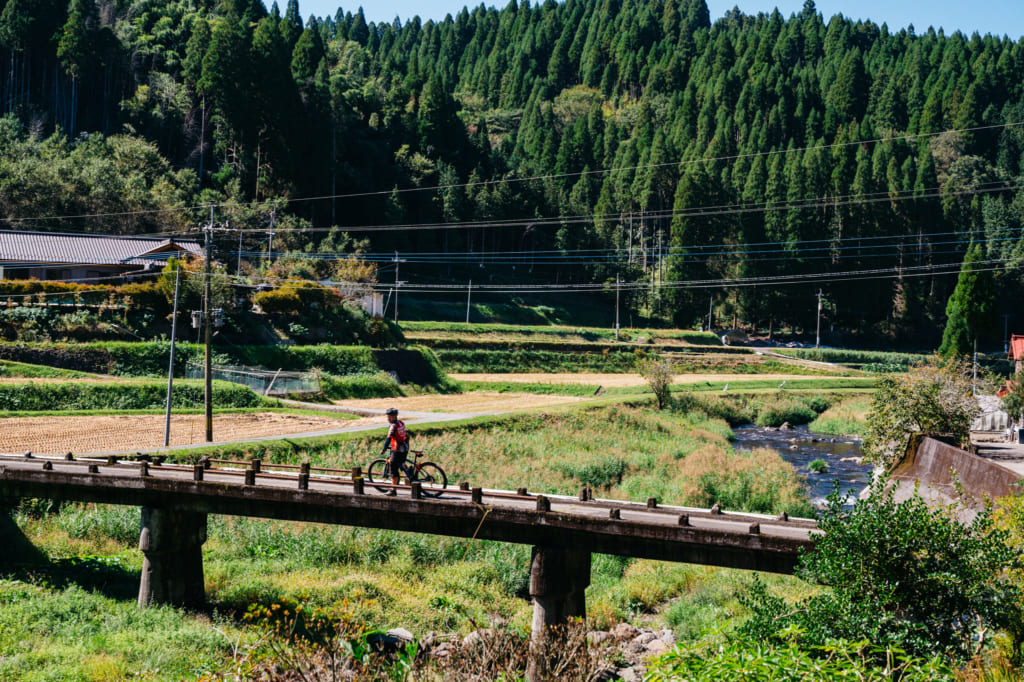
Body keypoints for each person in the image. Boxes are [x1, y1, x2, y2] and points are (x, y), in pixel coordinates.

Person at [381, 407, 409, 495]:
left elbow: (388, 438)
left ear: (394, 416)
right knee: (401, 463)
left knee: (393, 468)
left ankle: (393, 490)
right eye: (387, 417)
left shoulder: (393, 426)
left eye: (389, 417)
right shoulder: (401, 423)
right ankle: (409, 473)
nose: (388, 418)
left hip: (397, 449)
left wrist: (384, 449)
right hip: (405, 447)